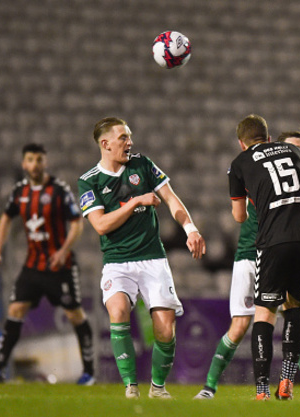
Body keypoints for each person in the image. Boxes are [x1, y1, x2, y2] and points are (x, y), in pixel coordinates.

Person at [194, 128, 300, 402]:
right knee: (239, 325)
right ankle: (209, 387)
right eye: (297, 147)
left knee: (298, 319)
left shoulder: (292, 175)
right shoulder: (256, 169)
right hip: (251, 254)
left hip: (276, 251)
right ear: (275, 145)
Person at [77, 117, 206, 399]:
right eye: (123, 137)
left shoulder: (143, 165)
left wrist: (191, 229)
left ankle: (157, 388)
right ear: (105, 143)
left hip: (152, 259)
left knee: (165, 326)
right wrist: (136, 201)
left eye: (130, 137)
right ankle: (130, 387)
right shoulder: (89, 181)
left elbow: (171, 199)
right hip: (117, 262)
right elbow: (100, 225)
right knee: (118, 311)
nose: (129, 143)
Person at [0, 143, 94, 385]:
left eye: (39, 160)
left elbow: (77, 223)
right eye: (30, 160)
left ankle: (88, 372)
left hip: (60, 266)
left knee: (74, 314)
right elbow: (5, 219)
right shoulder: (19, 192)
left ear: (45, 162)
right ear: (24, 164)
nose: (35, 164)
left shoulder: (59, 190)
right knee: (15, 310)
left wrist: (64, 250)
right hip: (33, 266)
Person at [227, 115, 300, 400]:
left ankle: (261, 391)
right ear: (269, 138)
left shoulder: (239, 163)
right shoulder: (294, 150)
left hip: (274, 244)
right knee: (293, 306)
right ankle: (288, 382)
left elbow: (239, 216)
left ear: (242, 143)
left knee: (264, 314)